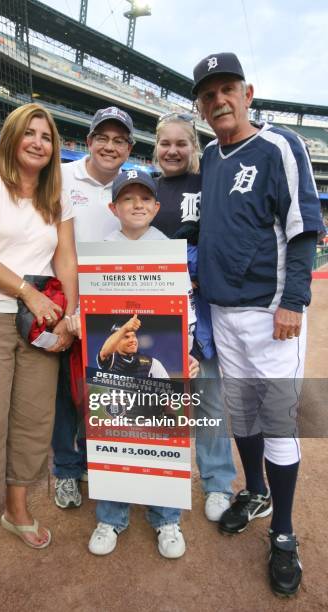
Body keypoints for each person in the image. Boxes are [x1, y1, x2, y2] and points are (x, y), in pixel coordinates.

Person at [192, 52, 324, 596]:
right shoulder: (208, 153)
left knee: (277, 423)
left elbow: (302, 229)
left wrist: (294, 300)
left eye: (227, 89)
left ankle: (286, 533)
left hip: (272, 315)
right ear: (201, 107)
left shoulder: (280, 145)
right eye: (208, 94)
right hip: (222, 312)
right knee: (241, 416)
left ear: (248, 92)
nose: (218, 100)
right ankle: (255, 491)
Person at [0, 103, 78, 576]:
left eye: (46, 137)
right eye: (29, 133)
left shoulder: (56, 194)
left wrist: (72, 309)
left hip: (41, 324)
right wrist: (28, 292)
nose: (38, 143)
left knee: (32, 421)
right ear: (12, 137)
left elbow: (65, 257)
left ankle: (16, 511)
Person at [88, 170, 199, 559]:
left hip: (153, 381)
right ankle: (111, 515)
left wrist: (186, 350)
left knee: (166, 436)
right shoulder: (100, 249)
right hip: (115, 388)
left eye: (144, 199)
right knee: (112, 439)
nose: (136, 205)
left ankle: (166, 517)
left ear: (156, 206)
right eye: (127, 198)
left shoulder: (168, 248)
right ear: (113, 206)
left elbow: (186, 306)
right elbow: (97, 326)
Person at [152, 113, 236, 522]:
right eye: (165, 144)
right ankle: (155, 478)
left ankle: (218, 482)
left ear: (194, 146)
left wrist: (193, 267)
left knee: (207, 398)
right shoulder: (145, 189)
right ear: (155, 147)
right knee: (158, 397)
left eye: (181, 144)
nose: (172, 151)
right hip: (156, 309)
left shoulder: (211, 182)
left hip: (202, 308)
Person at [51, 107, 134, 509]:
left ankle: (95, 462)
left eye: (119, 140)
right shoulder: (63, 176)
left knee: (103, 392)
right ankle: (66, 470)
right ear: (87, 142)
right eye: (103, 137)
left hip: (112, 310)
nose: (110, 146)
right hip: (68, 305)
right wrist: (66, 307)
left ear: (129, 149)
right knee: (66, 397)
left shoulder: (131, 188)